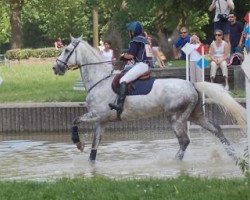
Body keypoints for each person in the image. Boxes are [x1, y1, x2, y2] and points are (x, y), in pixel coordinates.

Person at [109, 21, 153, 119]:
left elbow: (130, 56)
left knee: (123, 80)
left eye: (130, 31)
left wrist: (122, 56)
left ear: (133, 32)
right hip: (146, 64)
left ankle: (120, 106)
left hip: (142, 65)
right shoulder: (144, 40)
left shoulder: (135, 40)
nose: (129, 33)